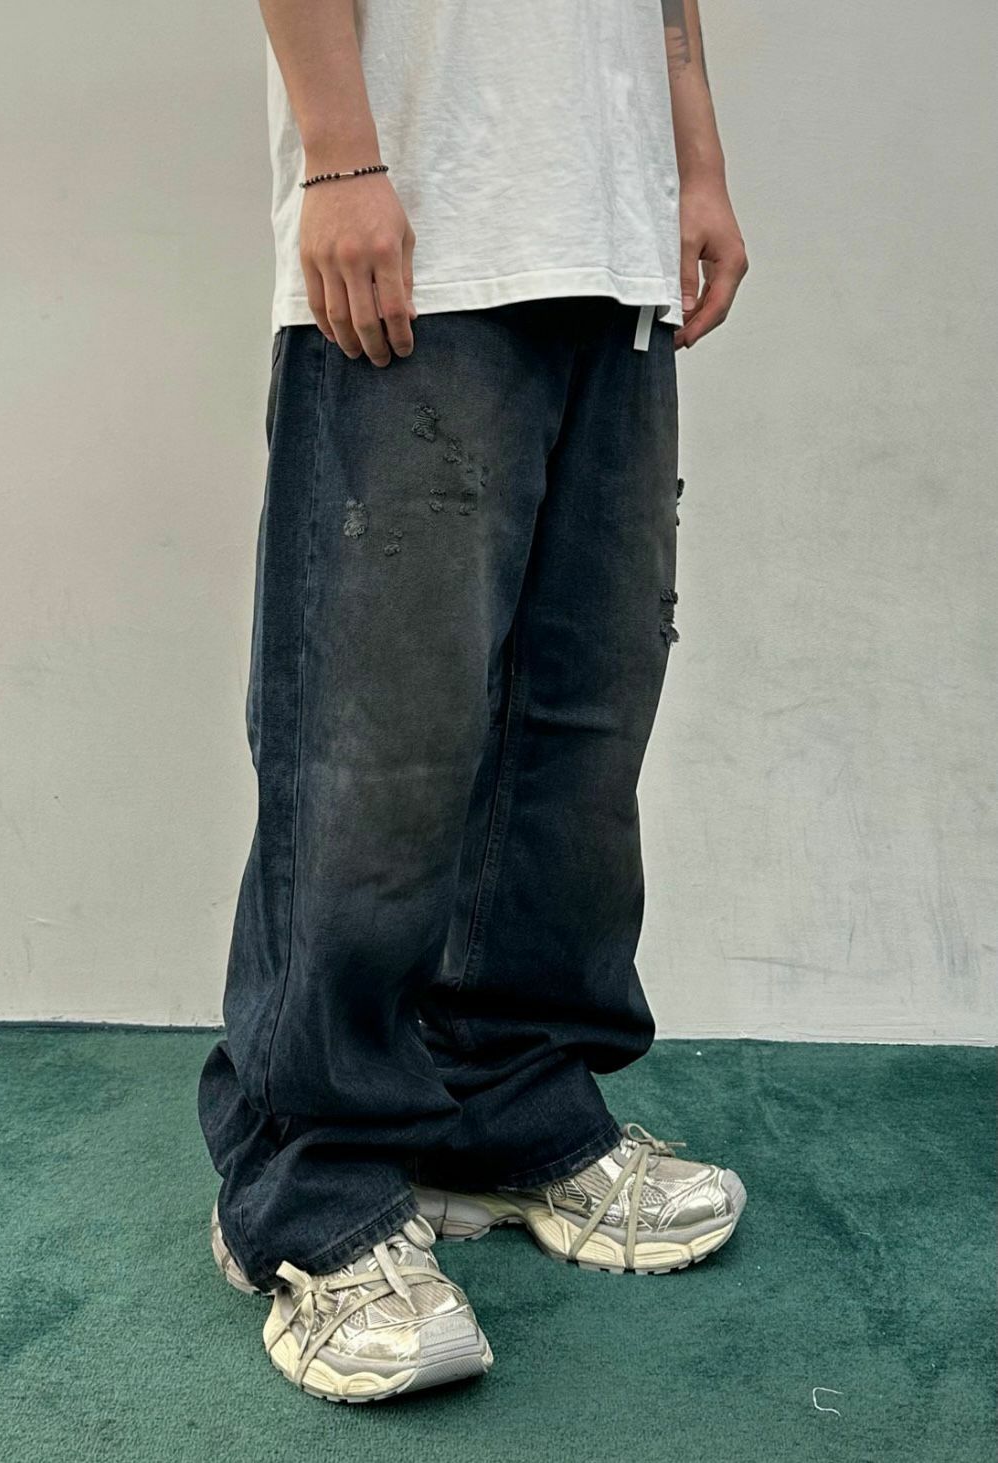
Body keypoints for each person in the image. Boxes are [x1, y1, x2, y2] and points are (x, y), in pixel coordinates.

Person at [199, 0, 750, 1402]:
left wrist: (693, 163)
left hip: (610, 233)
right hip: (420, 222)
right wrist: (339, 160)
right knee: (373, 747)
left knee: (577, 733)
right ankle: (309, 1188)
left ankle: (504, 1107)